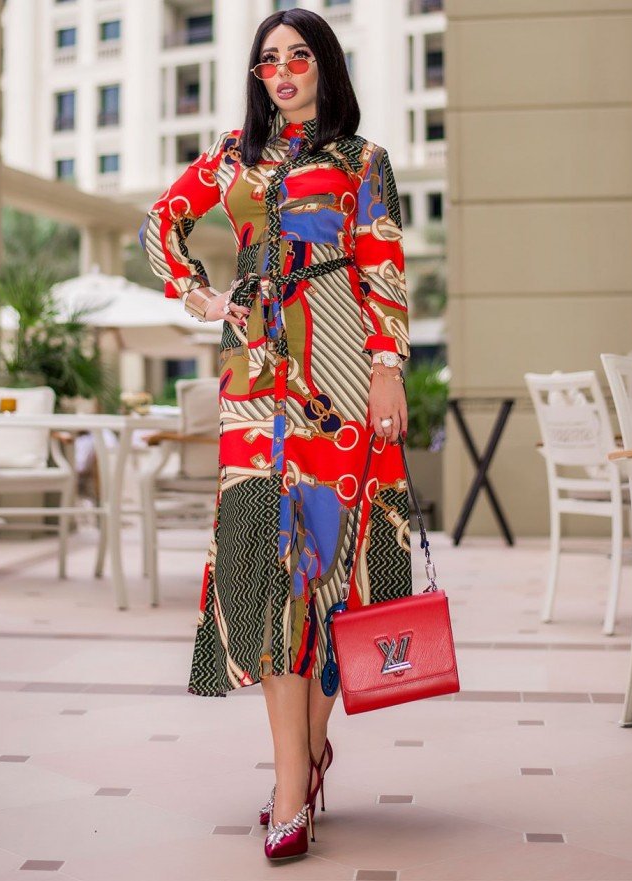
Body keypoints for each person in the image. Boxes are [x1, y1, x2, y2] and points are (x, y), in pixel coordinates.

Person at [139, 7, 411, 862]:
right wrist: (202, 295)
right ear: (258, 76)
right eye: (269, 60)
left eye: (299, 56)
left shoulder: (364, 162)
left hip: (338, 368)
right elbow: (160, 227)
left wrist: (388, 364)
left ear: (325, 67)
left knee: (333, 570)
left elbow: (383, 265)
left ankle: (312, 748)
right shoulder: (231, 155)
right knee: (272, 572)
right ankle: (292, 779)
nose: (284, 70)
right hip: (254, 379)